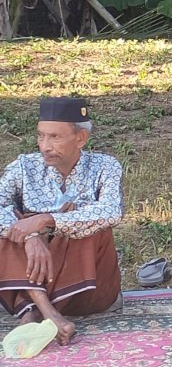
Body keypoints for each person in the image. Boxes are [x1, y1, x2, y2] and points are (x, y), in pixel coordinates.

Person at [0, 97, 123, 345]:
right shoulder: (24, 167)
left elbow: (111, 211)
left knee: (89, 224)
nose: (45, 146)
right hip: (36, 273)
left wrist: (49, 220)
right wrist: (31, 236)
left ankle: (30, 309)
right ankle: (47, 312)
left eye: (55, 137)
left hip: (89, 287)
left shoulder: (105, 167)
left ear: (81, 138)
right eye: (41, 136)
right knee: (14, 223)